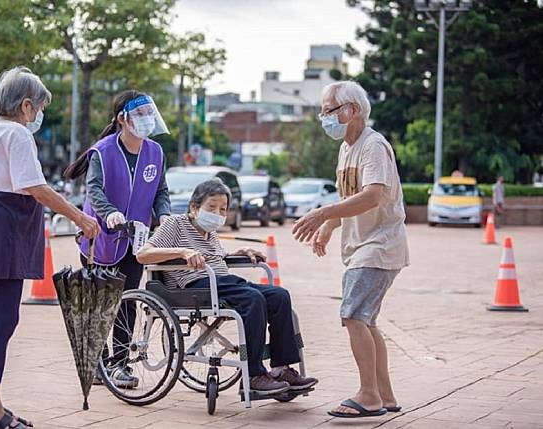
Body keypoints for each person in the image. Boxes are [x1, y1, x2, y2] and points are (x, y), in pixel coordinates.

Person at [0, 66, 100, 429]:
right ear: (25, 106)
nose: (38, 116)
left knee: (2, 320)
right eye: (38, 108)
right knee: (3, 321)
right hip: (6, 229)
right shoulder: (17, 135)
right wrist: (80, 218)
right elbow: (36, 187)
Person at [292, 81, 409, 418]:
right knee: (367, 320)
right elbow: (350, 197)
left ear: (352, 110)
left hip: (379, 246)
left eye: (329, 110)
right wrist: (329, 226)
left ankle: (368, 395)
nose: (323, 117)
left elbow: (374, 194)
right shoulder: (347, 148)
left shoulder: (373, 146)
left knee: (353, 315)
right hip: (364, 247)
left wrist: (322, 213)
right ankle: (384, 394)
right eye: (323, 111)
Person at [136, 178, 318, 395]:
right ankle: (253, 375)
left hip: (222, 282)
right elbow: (143, 255)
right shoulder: (175, 224)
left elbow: (217, 257)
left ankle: (280, 368)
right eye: (211, 207)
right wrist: (183, 252)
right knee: (253, 299)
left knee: (279, 296)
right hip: (196, 286)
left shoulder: (209, 232)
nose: (217, 213)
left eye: (222, 209)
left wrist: (241, 253)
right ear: (194, 207)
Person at [63, 90, 171, 388]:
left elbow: (161, 191)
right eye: (140, 115)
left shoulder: (155, 152)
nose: (147, 120)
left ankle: (120, 364)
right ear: (122, 118)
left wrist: (164, 216)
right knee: (100, 304)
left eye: (150, 114)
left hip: (136, 239)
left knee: (128, 302)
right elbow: (94, 190)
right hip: (101, 238)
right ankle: (98, 360)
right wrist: (108, 212)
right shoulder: (104, 151)